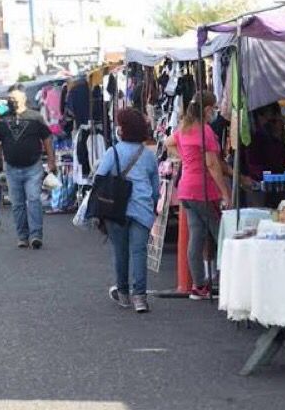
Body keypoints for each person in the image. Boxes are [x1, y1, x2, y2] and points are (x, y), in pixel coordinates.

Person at [166, 92, 231, 300]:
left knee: (196, 237)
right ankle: (231, 280)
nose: (216, 111)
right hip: (203, 190)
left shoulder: (184, 128)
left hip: (185, 190)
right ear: (207, 109)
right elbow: (212, 164)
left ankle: (199, 286)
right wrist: (225, 193)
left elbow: (168, 143)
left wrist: (184, 157)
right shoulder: (205, 131)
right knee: (221, 234)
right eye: (214, 107)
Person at [95, 109, 159, 313]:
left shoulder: (112, 152)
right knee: (139, 252)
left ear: (123, 129)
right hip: (142, 208)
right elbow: (155, 189)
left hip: (116, 209)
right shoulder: (148, 155)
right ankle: (140, 297)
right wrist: (152, 207)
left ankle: (123, 294)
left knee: (120, 252)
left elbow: (100, 177)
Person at [0, 84, 56, 249]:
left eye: (16, 99)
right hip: (11, 168)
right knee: (17, 204)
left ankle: (36, 235)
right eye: (10, 99)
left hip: (33, 167)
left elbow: (47, 139)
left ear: (24, 98)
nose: (13, 102)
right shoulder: (1, 119)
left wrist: (51, 160)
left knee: (33, 200)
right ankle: (22, 236)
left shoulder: (35, 117)